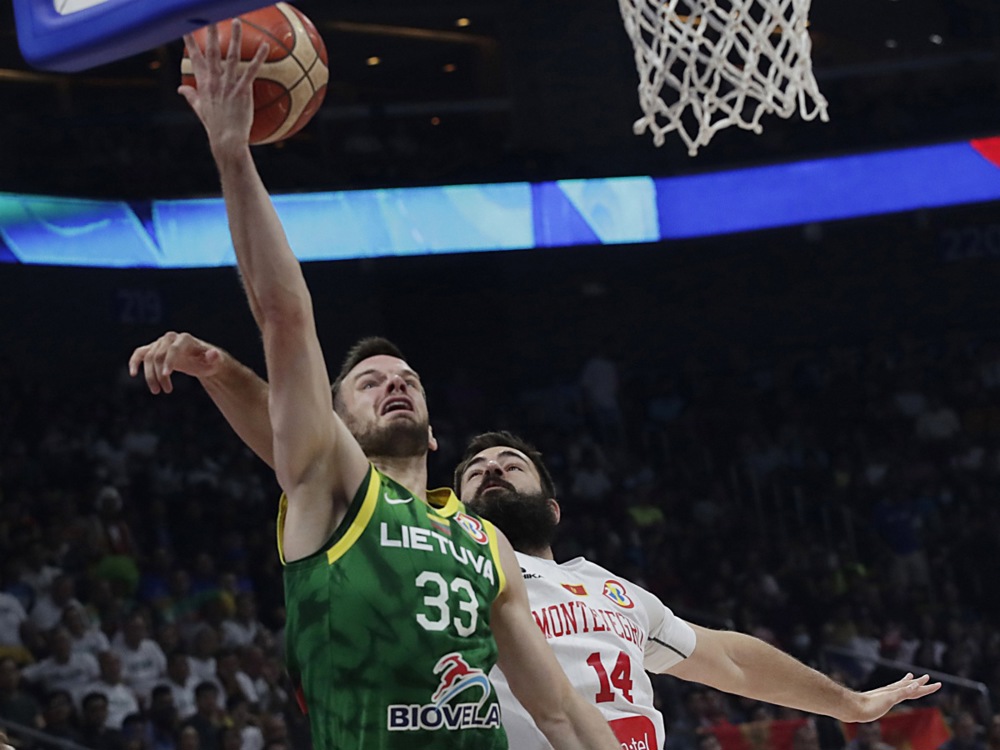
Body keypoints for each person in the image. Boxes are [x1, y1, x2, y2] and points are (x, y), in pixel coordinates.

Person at [131, 20, 618, 750]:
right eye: (367, 382)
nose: (394, 383)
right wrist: (232, 154)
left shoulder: (485, 541)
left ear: (431, 429)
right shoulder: (328, 487)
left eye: (407, 379)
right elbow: (285, 320)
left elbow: (557, 711)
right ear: (331, 422)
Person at [451, 430, 942, 750]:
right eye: (476, 471)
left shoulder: (612, 588)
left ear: (553, 509)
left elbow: (731, 660)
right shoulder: (447, 572)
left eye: (512, 465)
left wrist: (849, 703)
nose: (492, 469)